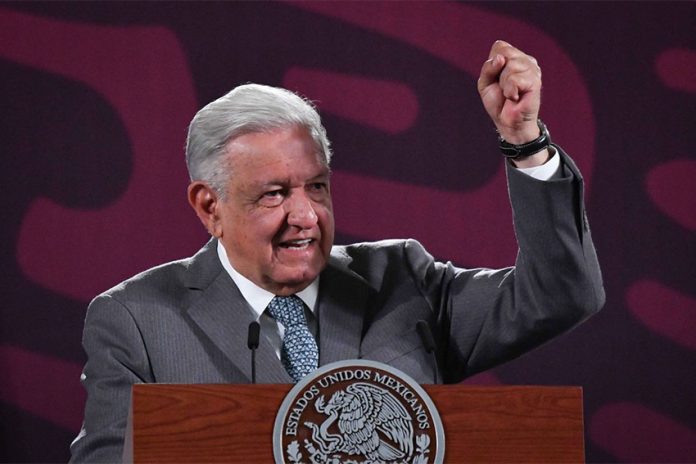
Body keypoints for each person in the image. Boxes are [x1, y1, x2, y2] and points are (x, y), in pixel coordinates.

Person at [70, 41, 604, 462]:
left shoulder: (404, 280)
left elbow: (562, 294)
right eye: (275, 194)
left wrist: (525, 143)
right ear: (209, 206)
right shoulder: (136, 320)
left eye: (317, 187)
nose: (306, 216)